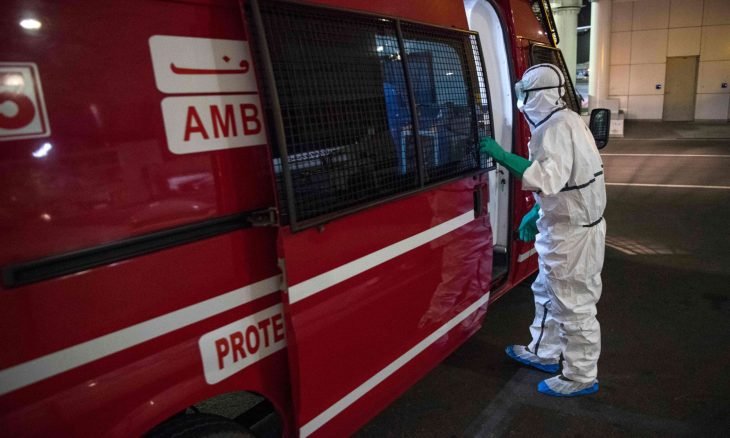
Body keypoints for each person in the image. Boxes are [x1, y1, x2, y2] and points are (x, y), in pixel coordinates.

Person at [480, 63, 606, 397]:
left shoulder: (556, 128)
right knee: (548, 292)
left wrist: (501, 155)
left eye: (524, 93)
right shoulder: (567, 120)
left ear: (539, 95)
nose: (521, 101)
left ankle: (580, 375)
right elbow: (572, 179)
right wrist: (537, 210)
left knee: (573, 304)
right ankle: (544, 352)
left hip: (573, 235)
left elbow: (546, 177)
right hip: (565, 225)